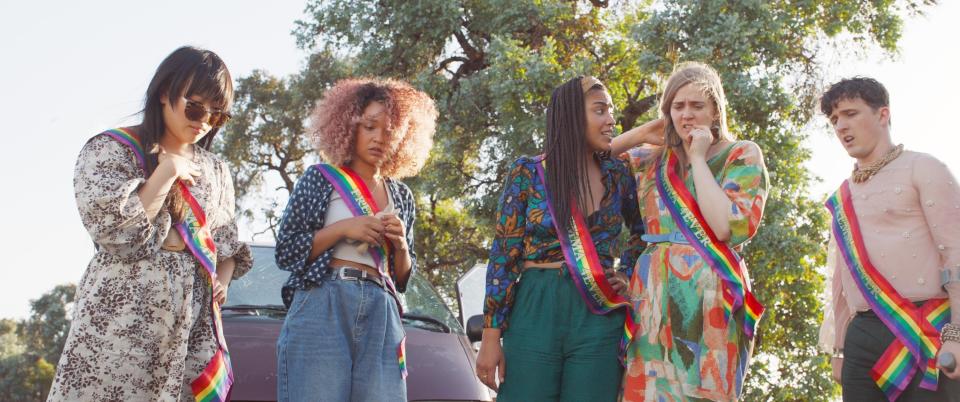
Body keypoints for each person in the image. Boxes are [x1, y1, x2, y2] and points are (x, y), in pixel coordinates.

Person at [49, 46, 251, 401]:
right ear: (164, 92)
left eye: (217, 115)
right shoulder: (113, 149)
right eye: (194, 106)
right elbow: (119, 235)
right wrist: (167, 172)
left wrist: (222, 282)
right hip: (121, 318)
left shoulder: (217, 170)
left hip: (192, 324)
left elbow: (227, 244)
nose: (203, 120)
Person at [474, 76, 646, 401]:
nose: (611, 119)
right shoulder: (527, 172)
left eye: (610, 110)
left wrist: (627, 272)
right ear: (570, 116)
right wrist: (490, 336)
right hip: (534, 306)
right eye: (599, 110)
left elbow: (643, 230)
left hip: (599, 313)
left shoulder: (619, 174)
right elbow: (503, 256)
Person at [274, 78, 437, 402]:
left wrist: (401, 246)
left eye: (389, 130)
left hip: (382, 308)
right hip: (323, 300)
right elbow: (286, 251)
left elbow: (403, 278)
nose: (379, 138)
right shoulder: (320, 179)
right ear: (349, 126)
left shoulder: (401, 195)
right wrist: (343, 229)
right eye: (369, 126)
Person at [614, 61, 769, 401]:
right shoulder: (648, 159)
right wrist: (640, 133)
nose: (687, 115)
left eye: (697, 106)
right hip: (653, 289)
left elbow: (726, 226)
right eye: (677, 106)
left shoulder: (741, 154)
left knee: (707, 390)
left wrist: (698, 159)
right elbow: (580, 165)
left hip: (712, 289)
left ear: (715, 111)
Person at [818, 77, 960, 401]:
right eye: (834, 119)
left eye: (850, 114)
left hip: (928, 327)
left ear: (883, 115)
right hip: (862, 337)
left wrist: (958, 335)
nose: (841, 126)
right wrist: (839, 348)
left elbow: (957, 254)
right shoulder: (842, 196)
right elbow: (840, 279)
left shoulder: (924, 168)